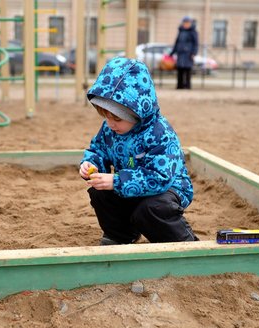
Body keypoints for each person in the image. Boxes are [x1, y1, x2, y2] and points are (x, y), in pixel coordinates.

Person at [80, 57, 197, 246]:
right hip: (128, 187)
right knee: (100, 193)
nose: (110, 124)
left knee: (151, 209)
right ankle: (121, 235)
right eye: (105, 116)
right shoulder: (110, 129)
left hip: (166, 189)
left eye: (116, 119)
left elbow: (159, 177)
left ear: (136, 112)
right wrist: (91, 163)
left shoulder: (160, 133)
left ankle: (183, 242)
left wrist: (117, 180)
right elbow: (98, 149)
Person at [170, 16, 199, 89]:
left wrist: (193, 53)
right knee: (180, 70)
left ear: (190, 23)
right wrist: (172, 52)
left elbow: (196, 43)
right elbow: (177, 42)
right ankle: (179, 86)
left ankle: (188, 86)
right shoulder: (180, 31)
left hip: (188, 54)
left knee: (187, 70)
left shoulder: (193, 32)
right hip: (180, 54)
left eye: (187, 23)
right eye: (185, 22)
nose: (186, 24)